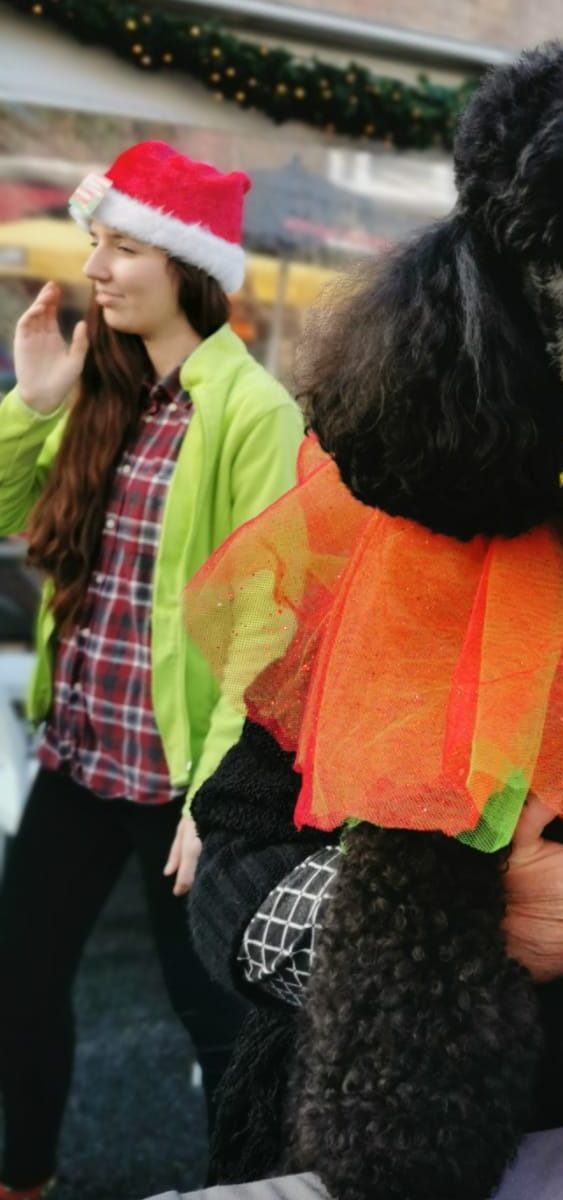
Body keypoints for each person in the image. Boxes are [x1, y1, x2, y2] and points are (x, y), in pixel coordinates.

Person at [0, 141, 305, 1200]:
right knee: (19, 983)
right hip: (80, 755)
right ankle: (22, 1179)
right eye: (96, 242)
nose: (96, 266)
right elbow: (8, 516)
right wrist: (34, 401)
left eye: (123, 246)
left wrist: (217, 800)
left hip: (179, 780)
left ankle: (248, 1188)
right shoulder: (102, 384)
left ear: (186, 264)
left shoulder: (252, 410)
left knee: (214, 1018)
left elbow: (267, 621)